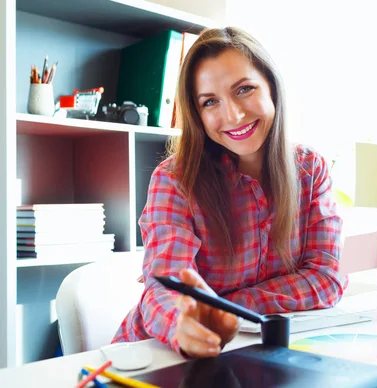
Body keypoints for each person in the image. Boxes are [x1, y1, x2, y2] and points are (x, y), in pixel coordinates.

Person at [112, 26, 346, 358]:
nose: (233, 115)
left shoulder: (310, 170)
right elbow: (161, 290)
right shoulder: (175, 179)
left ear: (272, 88)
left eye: (244, 89)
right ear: (198, 114)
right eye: (210, 102)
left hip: (252, 351)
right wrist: (184, 321)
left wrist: (225, 307)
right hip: (156, 354)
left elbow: (325, 278)